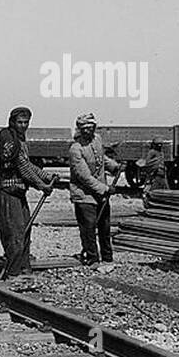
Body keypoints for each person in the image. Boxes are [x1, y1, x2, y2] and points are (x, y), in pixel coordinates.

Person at [0, 106, 56, 282]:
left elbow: (28, 164)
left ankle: (23, 267)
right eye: (20, 122)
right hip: (7, 192)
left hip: (18, 192)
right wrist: (42, 185)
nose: (23, 125)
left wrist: (47, 175)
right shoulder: (8, 139)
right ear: (12, 122)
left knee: (25, 230)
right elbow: (23, 167)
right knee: (15, 232)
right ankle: (12, 272)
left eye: (26, 122)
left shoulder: (20, 140)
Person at [68, 112, 120, 268]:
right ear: (79, 129)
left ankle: (107, 257)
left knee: (105, 227)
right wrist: (105, 188)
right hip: (84, 195)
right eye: (84, 128)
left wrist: (114, 167)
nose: (87, 131)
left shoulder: (97, 140)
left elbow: (101, 158)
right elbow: (84, 177)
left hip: (100, 194)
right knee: (89, 229)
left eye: (90, 128)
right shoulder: (75, 149)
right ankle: (92, 259)